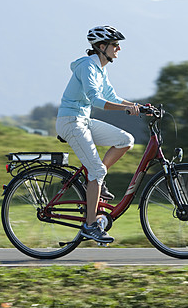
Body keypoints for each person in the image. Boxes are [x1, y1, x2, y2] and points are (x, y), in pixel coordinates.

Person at [56, 25, 140, 243]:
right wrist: (124, 109)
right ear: (101, 47)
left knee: (125, 140)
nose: (119, 48)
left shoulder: (101, 68)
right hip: (71, 121)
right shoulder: (87, 66)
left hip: (83, 120)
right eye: (115, 45)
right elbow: (96, 99)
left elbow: (111, 94)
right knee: (96, 170)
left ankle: (97, 183)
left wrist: (137, 106)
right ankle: (90, 225)